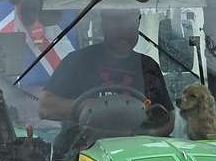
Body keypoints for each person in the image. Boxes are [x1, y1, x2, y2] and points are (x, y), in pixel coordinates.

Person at [37, 9, 173, 132]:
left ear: (138, 24)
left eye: (130, 24)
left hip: (136, 151)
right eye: (117, 23)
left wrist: (148, 134)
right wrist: (84, 107)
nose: (124, 31)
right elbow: (45, 106)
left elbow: (168, 119)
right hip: (81, 150)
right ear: (104, 24)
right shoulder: (78, 61)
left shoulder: (149, 67)